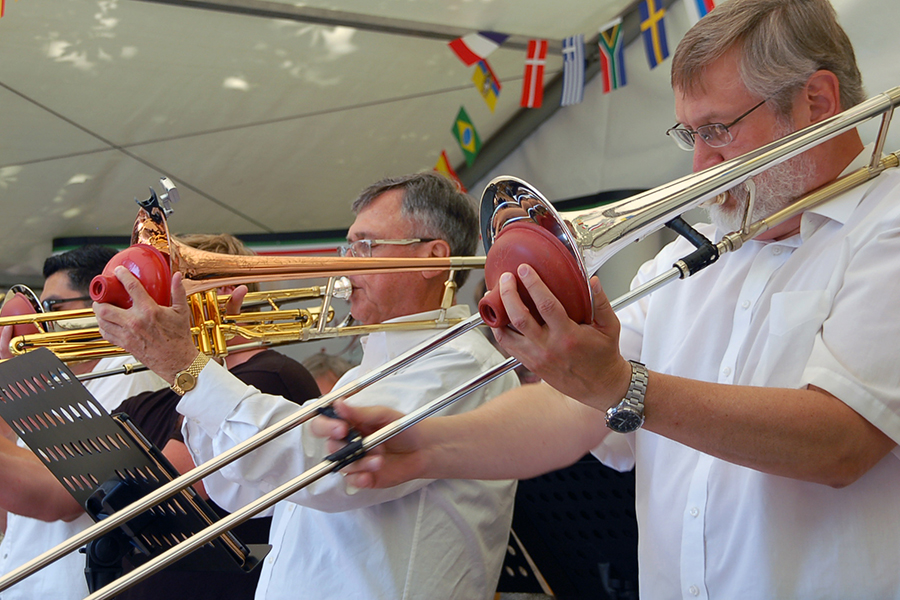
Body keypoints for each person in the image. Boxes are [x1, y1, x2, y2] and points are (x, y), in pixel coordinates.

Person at [313, 1, 900, 598]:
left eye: (718, 131)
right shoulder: (691, 258)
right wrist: (426, 444)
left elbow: (841, 442)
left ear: (818, 102)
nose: (700, 164)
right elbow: (574, 411)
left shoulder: (889, 225)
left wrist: (624, 386)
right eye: (689, 134)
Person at [93, 171, 519, 599]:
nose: (344, 264)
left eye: (366, 246)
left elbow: (330, 470)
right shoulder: (366, 371)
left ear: (432, 259)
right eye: (348, 246)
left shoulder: (461, 362)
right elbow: (237, 486)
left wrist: (186, 366)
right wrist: (211, 359)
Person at [112, 233, 321, 600]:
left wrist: (173, 358)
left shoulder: (272, 376)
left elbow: (167, 490)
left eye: (166, 284)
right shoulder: (158, 396)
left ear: (219, 291)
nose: (150, 305)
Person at [0, 246, 167, 600]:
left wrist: (18, 387)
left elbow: (73, 491)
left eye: (52, 307)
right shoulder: (54, 386)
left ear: (98, 298)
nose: (39, 320)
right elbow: (10, 514)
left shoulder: (130, 374)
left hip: (72, 586)